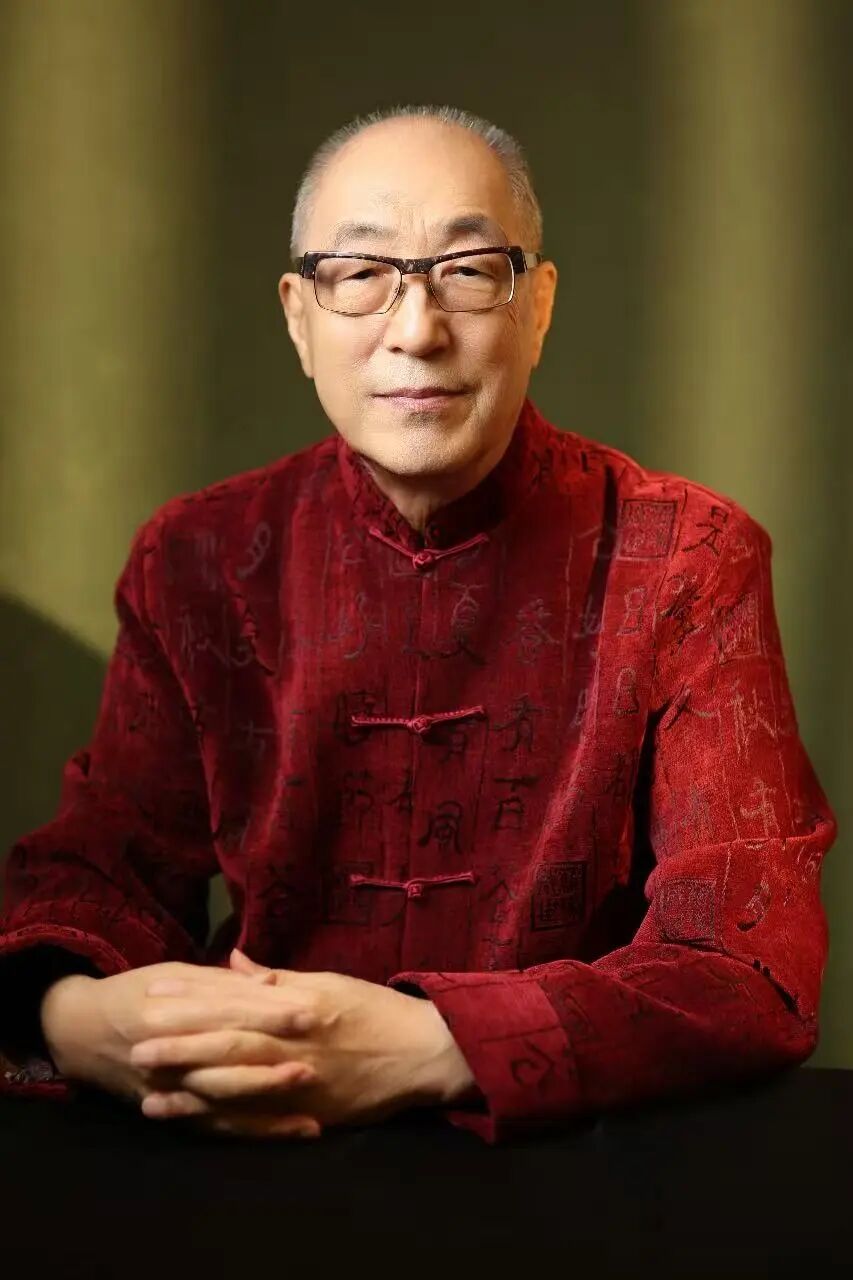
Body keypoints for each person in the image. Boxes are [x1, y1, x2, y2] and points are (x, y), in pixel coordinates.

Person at [0, 104, 837, 1146]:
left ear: (538, 305)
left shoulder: (687, 557)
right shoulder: (199, 557)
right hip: (248, 1152)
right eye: (359, 275)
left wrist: (432, 1046)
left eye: (468, 271)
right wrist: (73, 1022)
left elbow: (747, 964)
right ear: (299, 319)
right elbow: (95, 874)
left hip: (572, 1165)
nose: (414, 329)